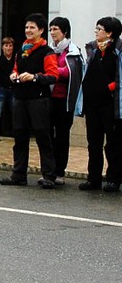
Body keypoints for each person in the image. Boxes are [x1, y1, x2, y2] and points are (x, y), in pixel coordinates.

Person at [0, 14, 58, 188]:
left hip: (39, 100)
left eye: (32, 27)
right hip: (20, 98)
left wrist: (34, 77)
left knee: (43, 138)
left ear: (41, 30)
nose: (28, 31)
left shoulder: (47, 52)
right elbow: (15, 68)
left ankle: (49, 175)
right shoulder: (22, 50)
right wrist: (13, 75)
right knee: (20, 138)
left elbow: (53, 76)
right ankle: (18, 174)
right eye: (26, 27)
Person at [76, 16, 122, 192]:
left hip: (111, 105)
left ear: (109, 33)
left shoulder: (118, 50)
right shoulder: (93, 50)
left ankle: (114, 179)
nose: (96, 32)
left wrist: (110, 87)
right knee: (93, 143)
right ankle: (93, 178)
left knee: (112, 143)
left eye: (99, 29)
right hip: (92, 104)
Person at [48, 17, 83, 185]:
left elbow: (70, 72)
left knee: (62, 136)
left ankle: (59, 171)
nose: (52, 33)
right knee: (47, 135)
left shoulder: (73, 51)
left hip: (65, 101)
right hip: (49, 99)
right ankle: (49, 170)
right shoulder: (50, 50)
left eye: (55, 29)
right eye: (51, 29)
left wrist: (52, 71)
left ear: (65, 31)